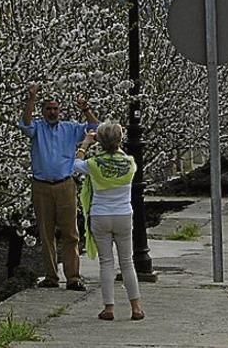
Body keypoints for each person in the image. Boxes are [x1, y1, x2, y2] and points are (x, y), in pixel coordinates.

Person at [18, 83, 97, 291]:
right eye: (48, 109)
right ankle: (51, 276)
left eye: (55, 109)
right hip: (42, 185)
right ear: (43, 111)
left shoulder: (70, 128)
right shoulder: (38, 128)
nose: (52, 112)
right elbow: (25, 125)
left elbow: (96, 128)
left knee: (70, 233)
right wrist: (31, 99)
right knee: (46, 232)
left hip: (65, 184)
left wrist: (85, 109)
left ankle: (73, 277)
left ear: (59, 110)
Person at [74, 121, 145, 322]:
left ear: (100, 141)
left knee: (106, 262)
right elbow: (121, 156)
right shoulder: (130, 163)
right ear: (120, 140)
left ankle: (109, 308)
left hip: (101, 215)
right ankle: (136, 307)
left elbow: (75, 164)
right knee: (127, 262)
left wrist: (85, 144)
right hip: (123, 214)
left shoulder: (94, 164)